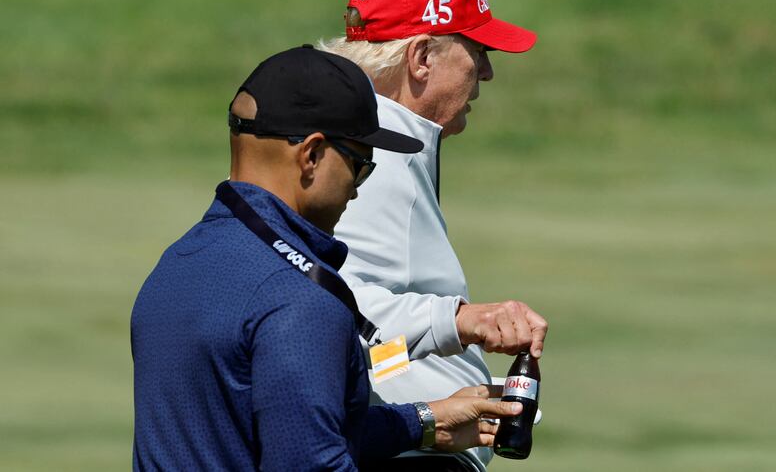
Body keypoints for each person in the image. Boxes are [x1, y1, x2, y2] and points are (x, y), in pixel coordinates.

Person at [130, 46, 524, 471]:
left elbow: (284, 431)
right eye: (359, 165)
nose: (357, 189)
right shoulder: (300, 303)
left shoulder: (177, 265)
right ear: (312, 156)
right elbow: (311, 461)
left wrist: (424, 421)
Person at [318, 0, 549, 471]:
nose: (487, 72)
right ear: (421, 57)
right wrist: (462, 323)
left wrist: (446, 378)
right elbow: (333, 314)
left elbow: (366, 339)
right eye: (477, 50)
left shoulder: (380, 143)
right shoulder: (369, 160)